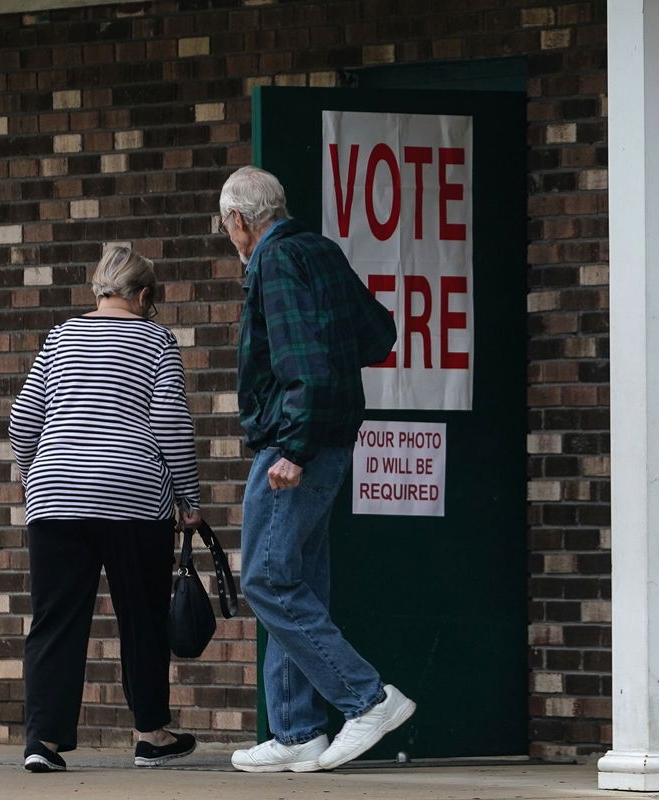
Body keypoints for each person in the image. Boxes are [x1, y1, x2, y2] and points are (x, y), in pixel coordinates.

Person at [218, 166, 415, 772]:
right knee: (297, 583)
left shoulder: (274, 263)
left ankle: (369, 698)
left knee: (269, 582)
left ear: (239, 221)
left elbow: (301, 360)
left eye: (225, 225)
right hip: (324, 443)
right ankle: (297, 731)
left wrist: (294, 448)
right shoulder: (319, 251)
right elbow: (379, 334)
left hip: (294, 447)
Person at [8, 244, 202, 772]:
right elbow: (170, 424)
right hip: (135, 500)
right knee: (142, 618)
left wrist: (30, 470)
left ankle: (42, 744)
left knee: (54, 621)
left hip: (55, 497)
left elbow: (24, 419)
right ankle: (150, 735)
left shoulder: (61, 336)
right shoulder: (157, 340)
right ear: (143, 296)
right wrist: (189, 499)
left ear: (99, 290)